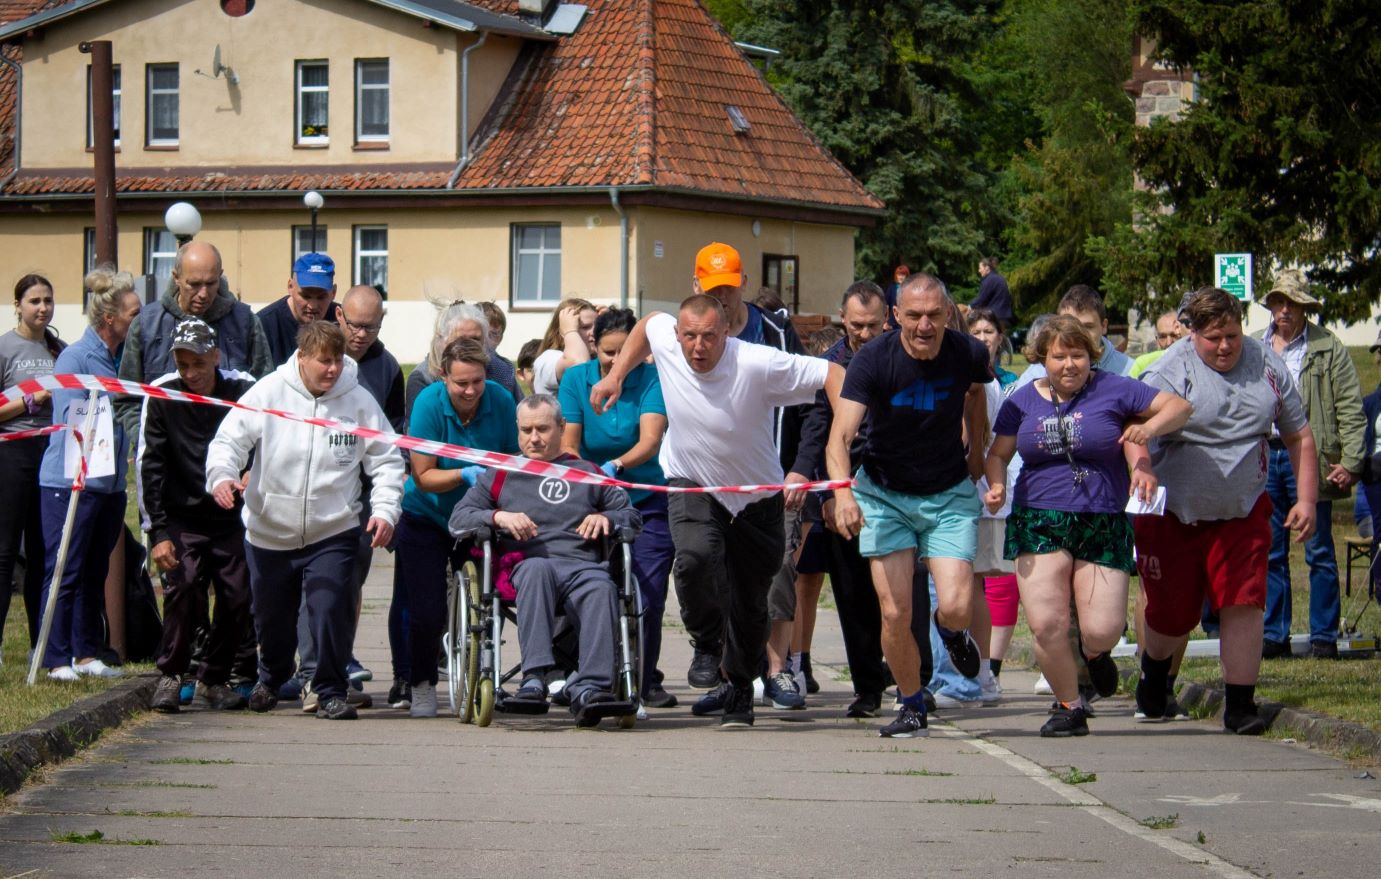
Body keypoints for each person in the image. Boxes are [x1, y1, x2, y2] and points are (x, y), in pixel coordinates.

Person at [591, 294, 844, 727]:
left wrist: (842, 438)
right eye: (689, 336)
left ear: (727, 332)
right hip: (692, 481)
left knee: (751, 601)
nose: (698, 347)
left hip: (757, 495)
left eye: (709, 336)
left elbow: (834, 374)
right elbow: (649, 321)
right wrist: (616, 375)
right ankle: (706, 644)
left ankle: (739, 690)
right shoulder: (666, 340)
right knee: (693, 559)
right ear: (677, 336)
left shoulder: (758, 362)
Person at [983, 315, 1191, 736]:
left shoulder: (1115, 389)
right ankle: (1069, 705)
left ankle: (1095, 655)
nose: (1069, 365)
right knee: (1045, 624)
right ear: (1042, 358)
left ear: (1091, 356)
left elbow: (1179, 406)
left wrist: (1144, 430)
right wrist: (997, 485)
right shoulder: (1021, 400)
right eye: (1059, 356)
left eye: (1077, 355)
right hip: (1039, 516)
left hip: (1102, 517)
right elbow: (997, 454)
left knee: (1102, 629)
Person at [1134, 287, 1317, 735]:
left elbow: (1300, 437)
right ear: (1192, 333)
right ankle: (1154, 678)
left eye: (1232, 335)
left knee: (1243, 602)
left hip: (1243, 507)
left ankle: (1240, 703)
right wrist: (1142, 472)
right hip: (1175, 512)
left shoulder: (1267, 365)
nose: (1224, 347)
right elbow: (1133, 433)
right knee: (1174, 615)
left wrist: (1307, 499)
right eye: (1213, 338)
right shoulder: (1170, 369)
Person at [207, 321, 404, 720]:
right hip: (269, 530)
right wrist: (222, 476)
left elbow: (386, 460)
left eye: (337, 361)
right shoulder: (268, 392)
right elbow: (229, 441)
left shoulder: (358, 400)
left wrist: (385, 511)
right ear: (302, 358)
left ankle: (330, 689)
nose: (332, 369)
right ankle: (272, 675)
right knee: (272, 621)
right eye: (323, 361)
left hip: (334, 527)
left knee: (330, 609)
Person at [826, 273, 993, 738]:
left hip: (947, 493)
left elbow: (976, 391)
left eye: (934, 315)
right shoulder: (872, 360)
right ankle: (912, 701)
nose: (924, 326)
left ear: (948, 315)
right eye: (914, 316)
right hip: (884, 494)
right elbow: (839, 437)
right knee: (896, 612)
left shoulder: (968, 353)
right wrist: (842, 493)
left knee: (957, 606)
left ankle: (952, 632)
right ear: (896, 316)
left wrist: (977, 447)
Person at [450, 395, 643, 727]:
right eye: (526, 430)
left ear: (561, 427)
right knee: (537, 571)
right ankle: (534, 678)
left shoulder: (589, 473)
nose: (533, 438)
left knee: (601, 586)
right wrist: (498, 517)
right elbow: (459, 518)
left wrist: (608, 519)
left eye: (542, 428)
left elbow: (632, 516)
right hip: (527, 564)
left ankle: (591, 687)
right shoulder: (502, 472)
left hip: (582, 565)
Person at [685, 242, 809, 705]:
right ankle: (728, 680)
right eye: (713, 288)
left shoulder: (774, 331)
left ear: (744, 286)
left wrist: (801, 467)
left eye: (730, 288)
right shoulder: (686, 335)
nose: (722, 297)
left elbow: (813, 401)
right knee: (714, 574)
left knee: (773, 575)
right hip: (710, 480)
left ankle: (778, 671)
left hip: (770, 480)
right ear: (696, 285)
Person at [789, 281, 909, 717]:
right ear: (843, 319)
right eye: (856, 325)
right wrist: (821, 488)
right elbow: (816, 429)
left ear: (888, 319)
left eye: (872, 325)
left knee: (900, 594)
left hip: (898, 490)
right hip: (844, 491)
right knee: (853, 594)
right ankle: (867, 687)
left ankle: (916, 680)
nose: (863, 333)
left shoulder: (906, 356)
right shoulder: (827, 367)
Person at [394, 337, 518, 717]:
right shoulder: (429, 404)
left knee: (488, 598)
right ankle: (422, 684)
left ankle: (484, 674)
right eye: (461, 382)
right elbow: (424, 474)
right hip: (427, 514)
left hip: (477, 514)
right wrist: (464, 473)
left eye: (477, 381)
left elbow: (514, 460)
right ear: (444, 377)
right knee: (427, 608)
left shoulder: (500, 400)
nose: (470, 390)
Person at [558, 307, 674, 707]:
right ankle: (588, 674)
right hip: (591, 500)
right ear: (594, 346)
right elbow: (569, 443)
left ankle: (643, 682)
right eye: (608, 352)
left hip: (646, 499)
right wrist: (591, 475)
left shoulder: (652, 379)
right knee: (591, 588)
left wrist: (618, 466)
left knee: (649, 593)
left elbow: (650, 441)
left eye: (626, 351)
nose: (615, 359)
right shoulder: (576, 380)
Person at [139, 319, 257, 712]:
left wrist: (252, 469)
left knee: (238, 595)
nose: (190, 373)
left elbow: (265, 440)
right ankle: (172, 673)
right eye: (183, 364)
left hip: (230, 516)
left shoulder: (243, 390)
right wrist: (157, 532)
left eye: (198, 364)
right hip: (181, 517)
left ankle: (215, 676)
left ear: (216, 357)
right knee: (184, 584)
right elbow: (150, 465)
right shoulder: (162, 396)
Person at [36, 266, 141, 680]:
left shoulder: (124, 358)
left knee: (95, 568)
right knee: (65, 567)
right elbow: (74, 422)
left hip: (110, 484)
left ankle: (85, 651)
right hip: (70, 482)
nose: (139, 320)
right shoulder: (77, 357)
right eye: (133, 314)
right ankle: (55, 657)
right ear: (110, 318)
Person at [1258, 269, 1364, 660]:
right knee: (1270, 547)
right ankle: (1274, 633)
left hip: (1310, 454)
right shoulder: (1256, 347)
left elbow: (1350, 406)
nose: (1285, 310)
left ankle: (1322, 633)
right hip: (1266, 453)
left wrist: (1351, 462)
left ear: (1305, 308)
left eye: (1294, 304)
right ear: (1270, 306)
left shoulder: (1327, 346)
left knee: (1318, 547)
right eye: (1279, 302)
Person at [328, 284, 405, 699]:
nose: (360, 335)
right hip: (316, 483)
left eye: (370, 328)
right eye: (354, 325)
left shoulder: (387, 366)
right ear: (338, 315)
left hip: (360, 489)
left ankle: (343, 655)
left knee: (351, 575)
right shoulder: (318, 353)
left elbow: (394, 433)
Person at [117, 240, 272, 436]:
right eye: (194, 284)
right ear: (176, 278)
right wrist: (149, 439)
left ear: (220, 276)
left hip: (231, 453)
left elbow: (265, 392)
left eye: (211, 283)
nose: (203, 294)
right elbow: (126, 399)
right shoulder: (146, 325)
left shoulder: (246, 322)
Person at [0, 274, 64, 658]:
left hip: (52, 452)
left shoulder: (61, 350)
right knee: (5, 552)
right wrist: (31, 402)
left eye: (48, 301)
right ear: (18, 306)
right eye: (34, 301)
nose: (42, 308)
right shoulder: (6, 349)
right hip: (12, 454)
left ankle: (42, 646)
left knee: (44, 551)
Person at [406, 301, 521, 420]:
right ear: (443, 340)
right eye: (460, 339)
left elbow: (520, 419)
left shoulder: (502, 371)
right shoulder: (423, 378)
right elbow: (417, 435)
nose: (469, 345)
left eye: (475, 339)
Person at [1015, 286, 1134, 388]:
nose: (1079, 335)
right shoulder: (1037, 373)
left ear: (1103, 326)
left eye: (1087, 327)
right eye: (1070, 326)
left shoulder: (1129, 371)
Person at [257, 253, 341, 366]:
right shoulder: (264, 325)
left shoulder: (343, 321)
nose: (313, 306)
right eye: (305, 296)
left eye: (321, 297)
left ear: (333, 293)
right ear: (290, 287)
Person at [530, 298, 596, 397]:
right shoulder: (548, 359)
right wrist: (570, 331)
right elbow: (580, 364)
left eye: (598, 325)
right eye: (585, 327)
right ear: (562, 331)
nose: (595, 332)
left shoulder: (595, 357)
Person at [967, 307, 1017, 389]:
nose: (982, 339)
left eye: (988, 332)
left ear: (999, 339)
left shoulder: (1011, 380)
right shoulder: (960, 378)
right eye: (976, 333)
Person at [1130, 309, 1185, 378]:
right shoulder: (1143, 364)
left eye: (1174, 335)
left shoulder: (1194, 363)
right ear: (1157, 340)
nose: (1169, 342)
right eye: (1163, 337)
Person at [972, 257, 1015, 328]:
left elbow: (982, 299)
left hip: (994, 317)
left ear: (987, 268)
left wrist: (970, 307)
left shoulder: (990, 280)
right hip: (1003, 316)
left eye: (980, 268)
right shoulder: (999, 278)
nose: (979, 270)